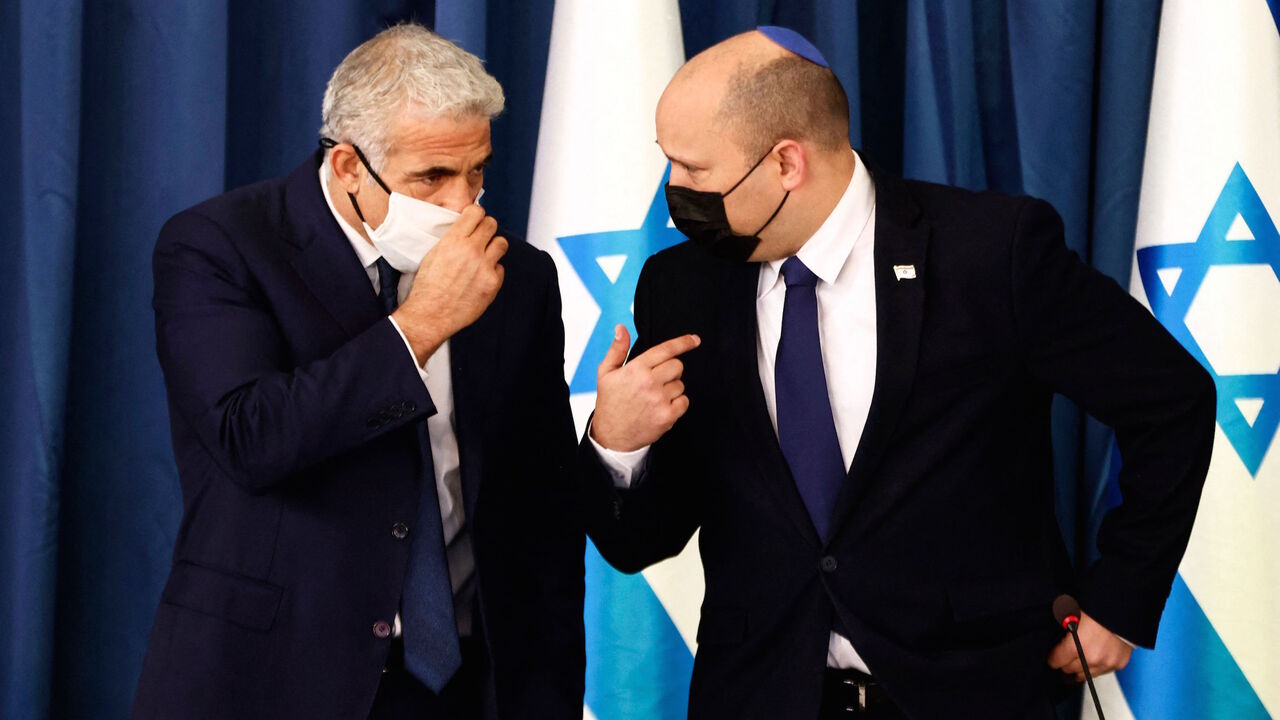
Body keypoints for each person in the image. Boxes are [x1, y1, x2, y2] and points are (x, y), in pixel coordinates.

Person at [580, 27, 1215, 719]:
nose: (673, 191)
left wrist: (1121, 596)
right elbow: (641, 541)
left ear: (787, 162)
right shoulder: (681, 285)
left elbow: (1171, 400)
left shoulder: (990, 252)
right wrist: (617, 444)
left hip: (968, 699)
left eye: (693, 169)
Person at [133, 24, 583, 720]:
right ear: (348, 166)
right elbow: (251, 437)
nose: (464, 205)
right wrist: (420, 326)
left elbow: (538, 506)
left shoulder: (516, 275)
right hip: (277, 678)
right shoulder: (220, 245)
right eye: (433, 177)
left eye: (477, 171)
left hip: (468, 684)